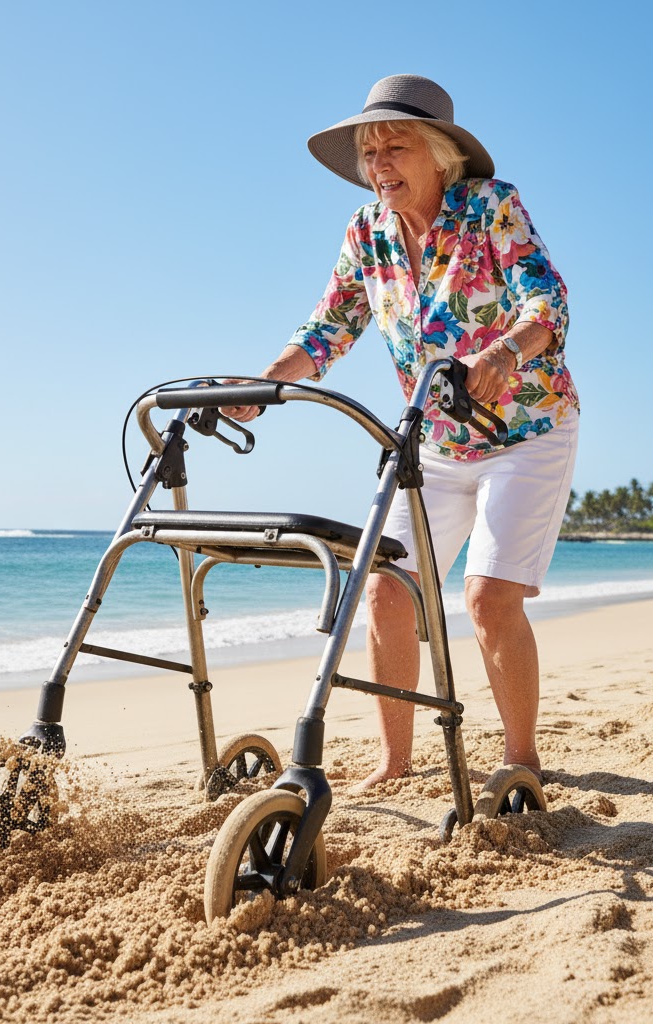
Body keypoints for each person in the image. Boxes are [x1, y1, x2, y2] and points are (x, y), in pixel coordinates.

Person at [225, 74, 579, 789]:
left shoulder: (490, 208)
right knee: (386, 587)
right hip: (438, 446)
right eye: (369, 151)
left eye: (395, 146)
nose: (379, 164)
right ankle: (395, 761)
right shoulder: (366, 233)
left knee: (488, 596)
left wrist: (502, 350)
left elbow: (547, 299)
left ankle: (520, 762)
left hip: (525, 429)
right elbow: (330, 328)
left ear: (440, 155)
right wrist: (266, 383)